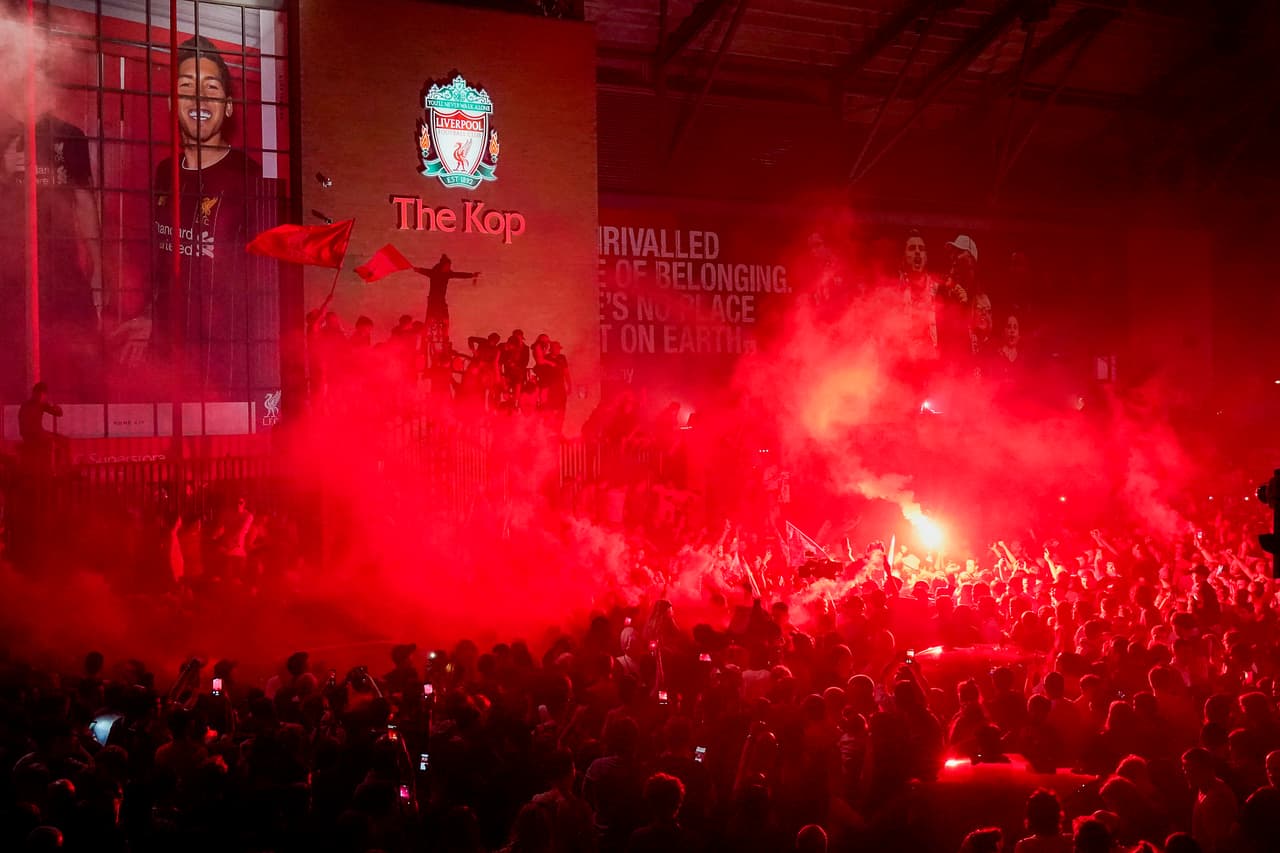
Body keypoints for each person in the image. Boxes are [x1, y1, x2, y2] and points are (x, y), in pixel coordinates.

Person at [116, 36, 267, 400]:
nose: (198, 97)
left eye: (210, 87)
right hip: (168, 348)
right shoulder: (165, 173)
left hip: (222, 358)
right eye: (187, 86)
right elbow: (165, 263)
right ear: (172, 103)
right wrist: (150, 317)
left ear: (228, 106)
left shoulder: (250, 178)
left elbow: (257, 285)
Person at [0, 111, 103, 400]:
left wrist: (97, 265)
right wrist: (4, 173)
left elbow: (83, 198)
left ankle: (75, 424)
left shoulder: (68, 133)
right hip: (8, 269)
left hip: (62, 265)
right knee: (13, 359)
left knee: (73, 357)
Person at [17, 382, 68, 473]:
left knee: (63, 440)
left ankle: (59, 469)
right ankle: (53, 470)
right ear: (35, 393)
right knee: (56, 441)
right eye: (42, 394)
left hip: (35, 434)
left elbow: (59, 413)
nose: (43, 397)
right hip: (34, 435)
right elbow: (26, 426)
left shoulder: (40, 404)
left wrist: (52, 405)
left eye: (44, 395)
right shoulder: (28, 406)